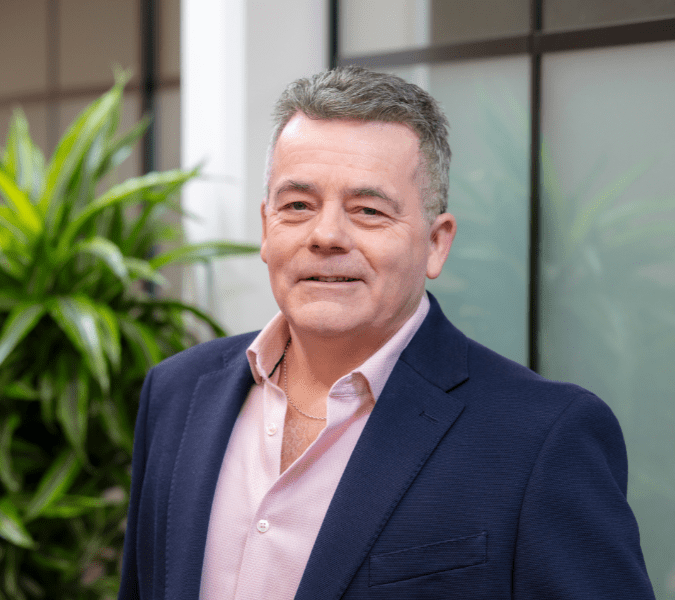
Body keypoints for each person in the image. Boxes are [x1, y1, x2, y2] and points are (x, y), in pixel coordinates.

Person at [118, 67, 655, 600]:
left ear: (436, 242)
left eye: (368, 210)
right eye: (298, 205)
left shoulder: (541, 438)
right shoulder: (177, 394)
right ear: (266, 227)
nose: (326, 235)